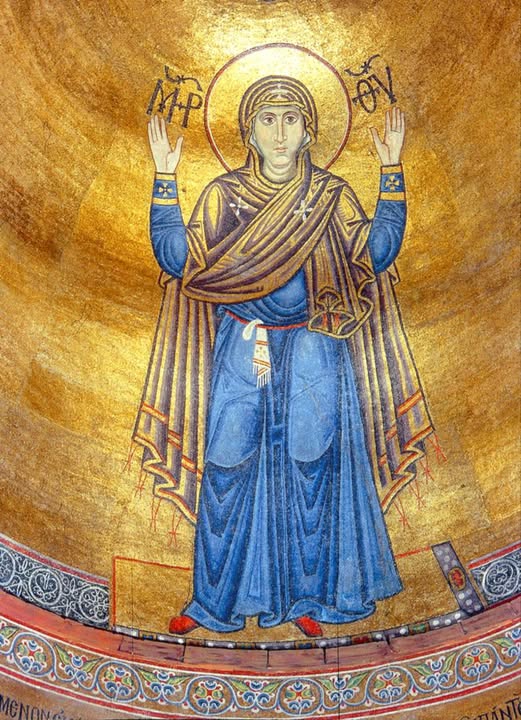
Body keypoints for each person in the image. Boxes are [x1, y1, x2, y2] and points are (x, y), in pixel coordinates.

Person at [135, 76, 434, 637]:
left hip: (313, 338)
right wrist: (165, 178)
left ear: (308, 132)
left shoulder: (330, 196)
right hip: (246, 341)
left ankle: (308, 596)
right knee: (227, 461)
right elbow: (180, 259)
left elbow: (372, 254)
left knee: (310, 460)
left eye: (290, 120)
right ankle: (214, 602)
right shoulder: (224, 196)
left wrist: (391, 172)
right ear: (248, 132)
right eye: (267, 120)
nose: (279, 133)